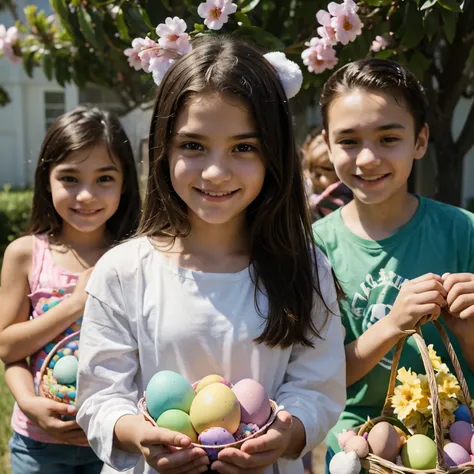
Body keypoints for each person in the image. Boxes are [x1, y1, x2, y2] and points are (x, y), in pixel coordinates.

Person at [75, 36, 346, 474]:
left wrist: (285, 432)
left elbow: (320, 387)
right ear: (163, 148)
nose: (216, 172)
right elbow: (100, 397)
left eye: (243, 147)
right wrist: (138, 433)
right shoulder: (124, 271)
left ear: (274, 153)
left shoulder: (305, 267)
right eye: (193, 146)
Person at [312, 58, 474, 468]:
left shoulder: (464, 233)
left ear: (419, 142)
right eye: (348, 141)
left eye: (388, 138)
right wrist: (392, 324)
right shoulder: (315, 247)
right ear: (327, 145)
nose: (367, 158)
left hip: (455, 442)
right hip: (357, 446)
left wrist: (468, 330)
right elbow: (317, 376)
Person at [0, 106, 141, 474]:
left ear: (125, 181)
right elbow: (8, 347)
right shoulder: (26, 255)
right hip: (38, 446)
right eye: (70, 178)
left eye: (104, 178)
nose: (86, 195)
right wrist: (29, 404)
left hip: (116, 443)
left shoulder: (137, 256)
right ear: (47, 178)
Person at [301, 130, 352, 222]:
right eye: (309, 170)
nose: (311, 178)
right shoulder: (308, 192)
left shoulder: (341, 199)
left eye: (319, 174)